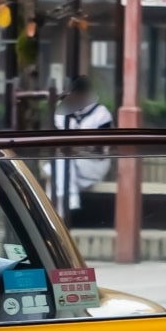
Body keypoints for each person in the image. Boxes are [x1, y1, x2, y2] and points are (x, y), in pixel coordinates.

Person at [51, 75, 114, 222]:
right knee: (58, 166)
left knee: (57, 168)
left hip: (94, 166)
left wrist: (75, 148)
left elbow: (100, 151)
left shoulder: (101, 113)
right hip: (71, 169)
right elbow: (59, 145)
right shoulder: (62, 113)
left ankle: (61, 213)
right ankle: (62, 212)